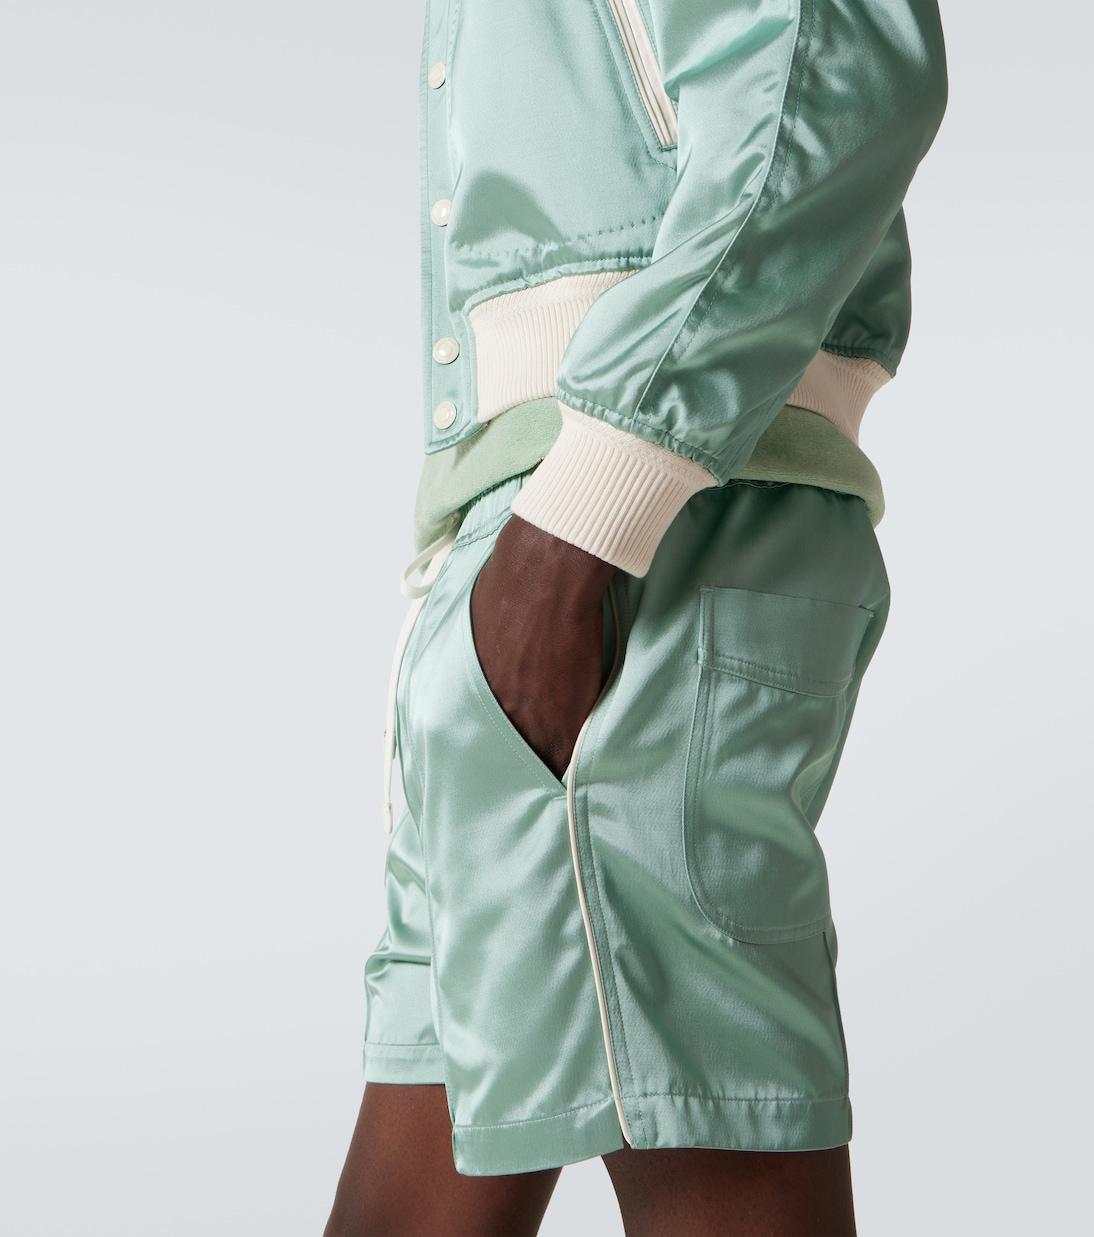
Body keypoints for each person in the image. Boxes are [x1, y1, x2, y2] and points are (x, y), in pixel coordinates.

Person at [327, 1, 947, 1233]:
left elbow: (834, 82)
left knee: (702, 1133)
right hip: (531, 551)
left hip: (632, 544)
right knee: (417, 1178)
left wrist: (580, 525)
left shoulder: (593, 530)